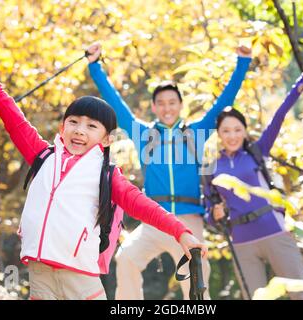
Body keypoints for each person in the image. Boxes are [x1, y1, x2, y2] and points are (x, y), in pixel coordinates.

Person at [0, 58, 207, 300]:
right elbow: (16, 122)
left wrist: (181, 232)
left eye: (92, 126)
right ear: (62, 128)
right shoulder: (43, 156)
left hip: (78, 273)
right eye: (74, 122)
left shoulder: (107, 174)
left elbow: (143, 205)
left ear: (106, 139)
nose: (80, 130)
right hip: (39, 270)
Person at [85, 42, 252, 299]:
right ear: (153, 107)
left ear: (180, 105)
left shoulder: (196, 132)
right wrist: (95, 66)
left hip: (189, 220)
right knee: (126, 258)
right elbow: (115, 103)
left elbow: (223, 104)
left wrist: (242, 63)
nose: (167, 108)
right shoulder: (143, 134)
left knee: (196, 281)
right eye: (161, 103)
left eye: (172, 102)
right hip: (155, 219)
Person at [203, 58, 303, 300]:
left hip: (275, 233)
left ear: (245, 131)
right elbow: (209, 212)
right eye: (226, 131)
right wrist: (213, 215)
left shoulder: (256, 152)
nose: (232, 135)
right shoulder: (211, 169)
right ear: (218, 134)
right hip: (241, 243)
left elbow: (279, 116)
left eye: (237, 129)